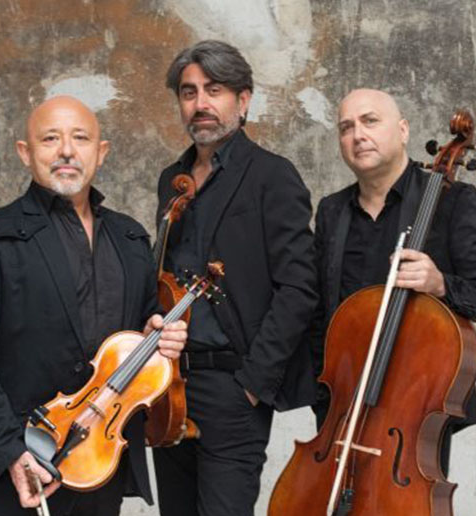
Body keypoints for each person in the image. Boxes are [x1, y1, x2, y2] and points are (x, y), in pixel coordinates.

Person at [0, 96, 188, 516]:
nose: (67, 150)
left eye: (80, 138)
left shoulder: (129, 238)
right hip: (26, 459)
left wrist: (159, 338)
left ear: (100, 152)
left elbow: (142, 331)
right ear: (25, 152)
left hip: (102, 459)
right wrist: (10, 451)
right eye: (50, 138)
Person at [150, 40, 319, 516]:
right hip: (170, 383)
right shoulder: (172, 179)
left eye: (214, 90)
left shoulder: (272, 176)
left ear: (243, 101)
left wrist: (253, 383)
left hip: (232, 384)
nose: (200, 103)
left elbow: (299, 287)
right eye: (189, 92)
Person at [310, 88, 476, 473]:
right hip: (342, 404)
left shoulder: (453, 200)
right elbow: (320, 312)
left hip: (418, 407)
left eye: (370, 121)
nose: (358, 135)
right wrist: (322, 393)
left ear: (402, 130)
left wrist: (441, 284)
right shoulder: (332, 211)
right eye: (346, 127)